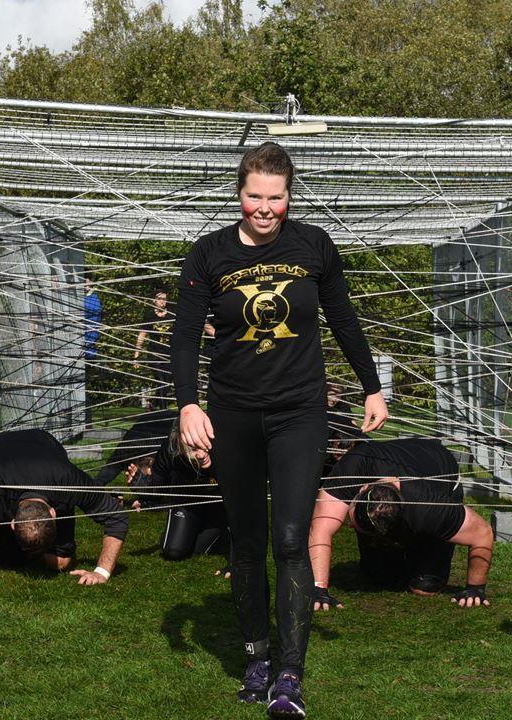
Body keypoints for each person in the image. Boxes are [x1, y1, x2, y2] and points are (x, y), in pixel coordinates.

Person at [171, 141, 388, 717]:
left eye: (276, 197)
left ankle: (290, 674)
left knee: (290, 539)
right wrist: (188, 406)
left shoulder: (314, 245)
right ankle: (257, 656)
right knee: (247, 541)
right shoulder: (209, 253)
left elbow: (343, 317)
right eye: (254, 197)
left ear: (290, 196)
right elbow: (185, 337)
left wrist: (371, 385)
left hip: (299, 413)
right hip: (233, 415)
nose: (265, 209)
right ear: (238, 195)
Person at [0, 429, 129, 595]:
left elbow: (116, 517)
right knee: (8, 562)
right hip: (1, 446)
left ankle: (46, 550)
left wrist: (102, 572)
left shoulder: (68, 481)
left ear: (55, 514)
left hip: (44, 442)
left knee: (59, 563)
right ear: (11, 522)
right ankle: (23, 550)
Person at [308, 437, 493, 610]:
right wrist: (318, 589)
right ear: (363, 488)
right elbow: (320, 527)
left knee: (425, 587)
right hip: (392, 459)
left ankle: (420, 549)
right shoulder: (353, 468)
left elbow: (482, 533)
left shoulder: (430, 507)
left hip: (436, 465)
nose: (348, 526)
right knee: (381, 579)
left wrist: (475, 588)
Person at [129, 422, 229, 561]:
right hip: (187, 498)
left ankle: (224, 530)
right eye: (193, 449)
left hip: (220, 502)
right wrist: (144, 488)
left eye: (203, 444)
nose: (201, 454)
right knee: (174, 551)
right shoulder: (170, 450)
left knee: (200, 550)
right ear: (179, 447)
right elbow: (157, 489)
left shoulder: (223, 444)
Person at [134, 290, 174, 409]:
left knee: (167, 382)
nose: (162, 301)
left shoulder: (172, 314)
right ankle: (163, 410)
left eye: (164, 299)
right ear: (154, 301)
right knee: (160, 381)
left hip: (169, 353)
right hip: (154, 353)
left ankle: (153, 403)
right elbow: (142, 335)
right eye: (160, 299)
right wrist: (136, 355)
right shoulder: (149, 315)